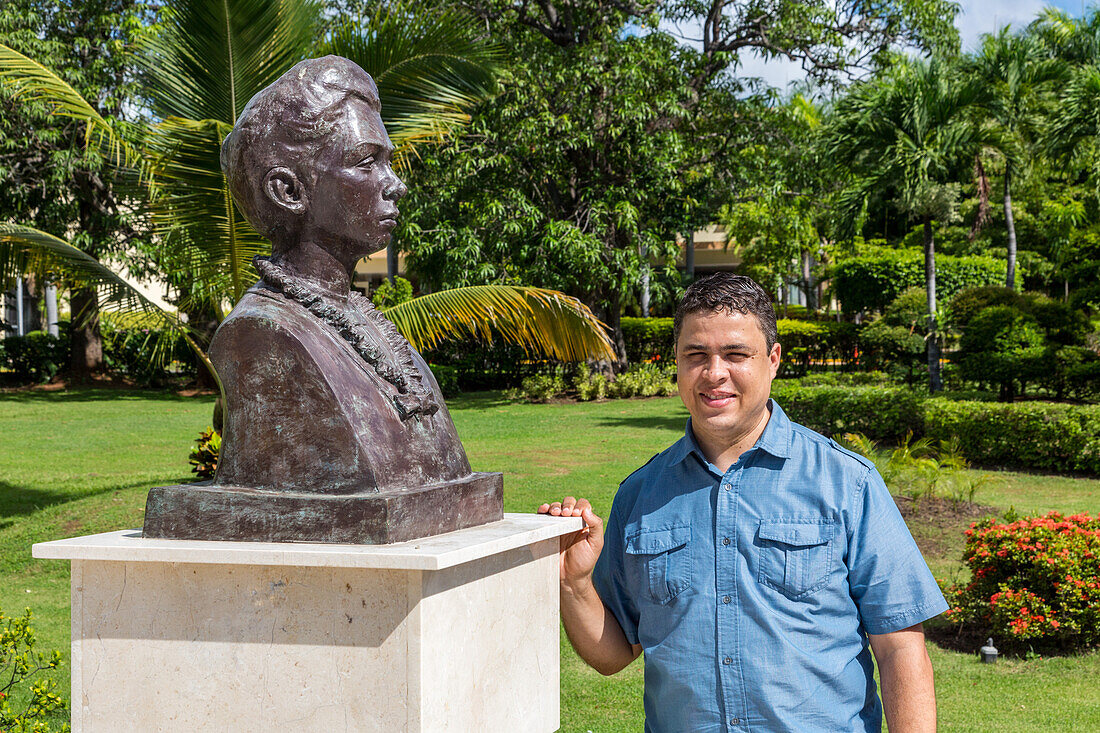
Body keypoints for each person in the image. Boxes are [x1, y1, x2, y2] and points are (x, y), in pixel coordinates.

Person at [539, 273, 947, 732]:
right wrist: (574, 584)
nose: (715, 373)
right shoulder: (641, 495)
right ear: (676, 362)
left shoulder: (846, 483)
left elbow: (900, 648)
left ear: (772, 360)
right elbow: (613, 654)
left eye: (736, 354)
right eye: (696, 355)